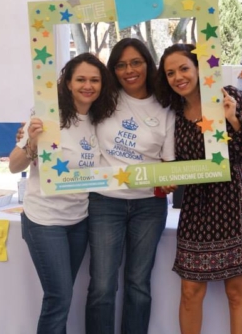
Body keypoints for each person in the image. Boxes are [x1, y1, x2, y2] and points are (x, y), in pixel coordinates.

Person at [155, 43, 242, 334]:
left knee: (236, 292)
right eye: (170, 73)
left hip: (235, 197)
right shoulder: (173, 112)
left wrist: (233, 118)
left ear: (198, 68)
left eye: (184, 68)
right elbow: (174, 162)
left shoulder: (227, 95)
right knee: (190, 291)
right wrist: (165, 177)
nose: (178, 77)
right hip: (196, 202)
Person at [9, 53, 117, 334]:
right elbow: (13, 165)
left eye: (94, 80)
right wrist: (32, 142)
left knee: (63, 296)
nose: (88, 86)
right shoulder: (45, 116)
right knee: (59, 298)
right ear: (68, 83)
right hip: (44, 221)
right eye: (80, 79)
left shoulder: (99, 120)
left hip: (78, 220)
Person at [85, 38, 176, 334]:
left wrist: (170, 178)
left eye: (136, 62)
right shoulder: (104, 99)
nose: (129, 70)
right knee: (102, 285)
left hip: (149, 206)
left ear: (148, 64)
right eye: (121, 65)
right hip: (104, 201)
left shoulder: (166, 107)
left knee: (138, 284)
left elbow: (168, 162)